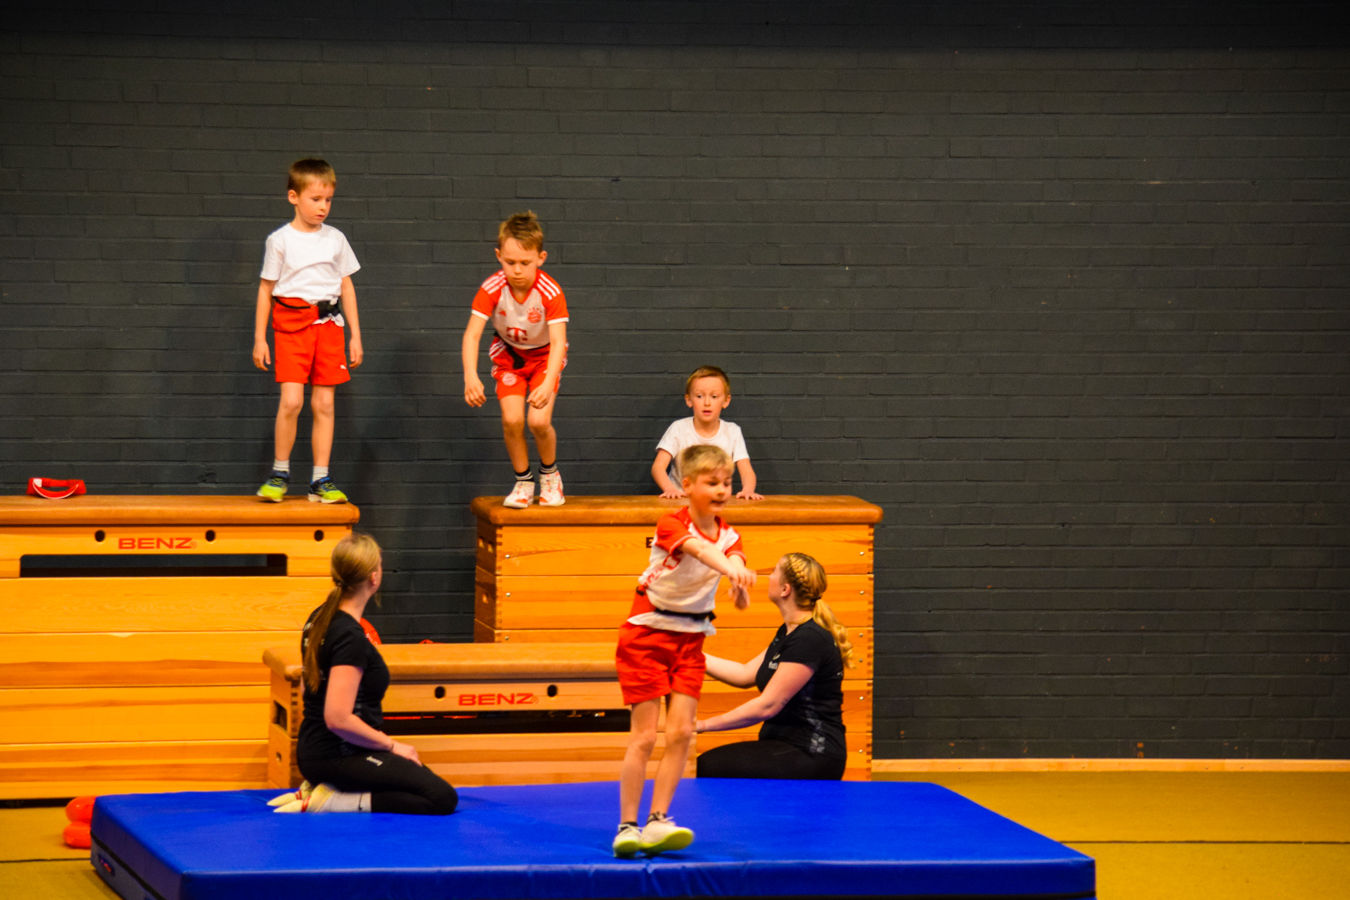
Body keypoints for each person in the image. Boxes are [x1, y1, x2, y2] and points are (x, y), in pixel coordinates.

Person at [613, 444, 756, 857]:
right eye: (712, 483)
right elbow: (703, 552)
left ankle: (658, 819)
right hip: (647, 636)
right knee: (644, 737)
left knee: (681, 733)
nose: (722, 490)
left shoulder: (730, 535)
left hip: (691, 640)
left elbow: (734, 566)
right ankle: (627, 826)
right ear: (688, 485)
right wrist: (732, 568)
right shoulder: (671, 524)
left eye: (727, 483)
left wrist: (740, 587)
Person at [271, 533, 458, 815]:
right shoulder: (350, 637)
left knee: (417, 779)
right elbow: (337, 718)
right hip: (341, 755)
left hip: (317, 751)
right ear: (374, 577)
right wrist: (391, 745)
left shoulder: (319, 618)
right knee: (440, 797)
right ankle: (333, 801)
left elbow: (308, 690)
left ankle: (323, 787)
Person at [252, 158, 363, 504]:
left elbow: (346, 287)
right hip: (292, 327)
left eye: (328, 199)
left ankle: (320, 479)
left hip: (328, 327)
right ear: (293, 197)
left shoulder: (336, 239)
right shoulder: (280, 240)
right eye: (315, 199)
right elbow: (266, 289)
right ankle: (280, 472)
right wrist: (259, 338)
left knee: (324, 403)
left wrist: (356, 336)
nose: (322, 206)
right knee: (292, 401)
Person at [693, 552, 853, 780]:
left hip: (813, 751)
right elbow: (744, 674)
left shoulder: (809, 639)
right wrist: (691, 655)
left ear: (785, 589)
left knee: (707, 766)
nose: (768, 577)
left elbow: (768, 705)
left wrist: (702, 725)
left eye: (774, 572)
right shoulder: (788, 633)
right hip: (784, 744)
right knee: (708, 764)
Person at [461, 211, 569, 508]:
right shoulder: (492, 288)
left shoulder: (550, 292)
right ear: (498, 256)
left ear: (541, 258)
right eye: (510, 262)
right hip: (510, 357)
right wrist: (470, 375)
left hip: (544, 357)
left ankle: (550, 475)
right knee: (512, 419)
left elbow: (558, 342)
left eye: (525, 262)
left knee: (538, 421)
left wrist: (548, 382)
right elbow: (472, 335)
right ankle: (523, 480)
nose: (517, 270)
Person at [651, 366, 762, 500]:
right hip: (681, 500)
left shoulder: (732, 431)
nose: (707, 403)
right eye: (699, 396)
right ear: (689, 400)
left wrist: (748, 490)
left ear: (726, 401)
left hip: (715, 501)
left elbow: (746, 470)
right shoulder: (678, 428)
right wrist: (670, 489)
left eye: (714, 396)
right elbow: (658, 467)